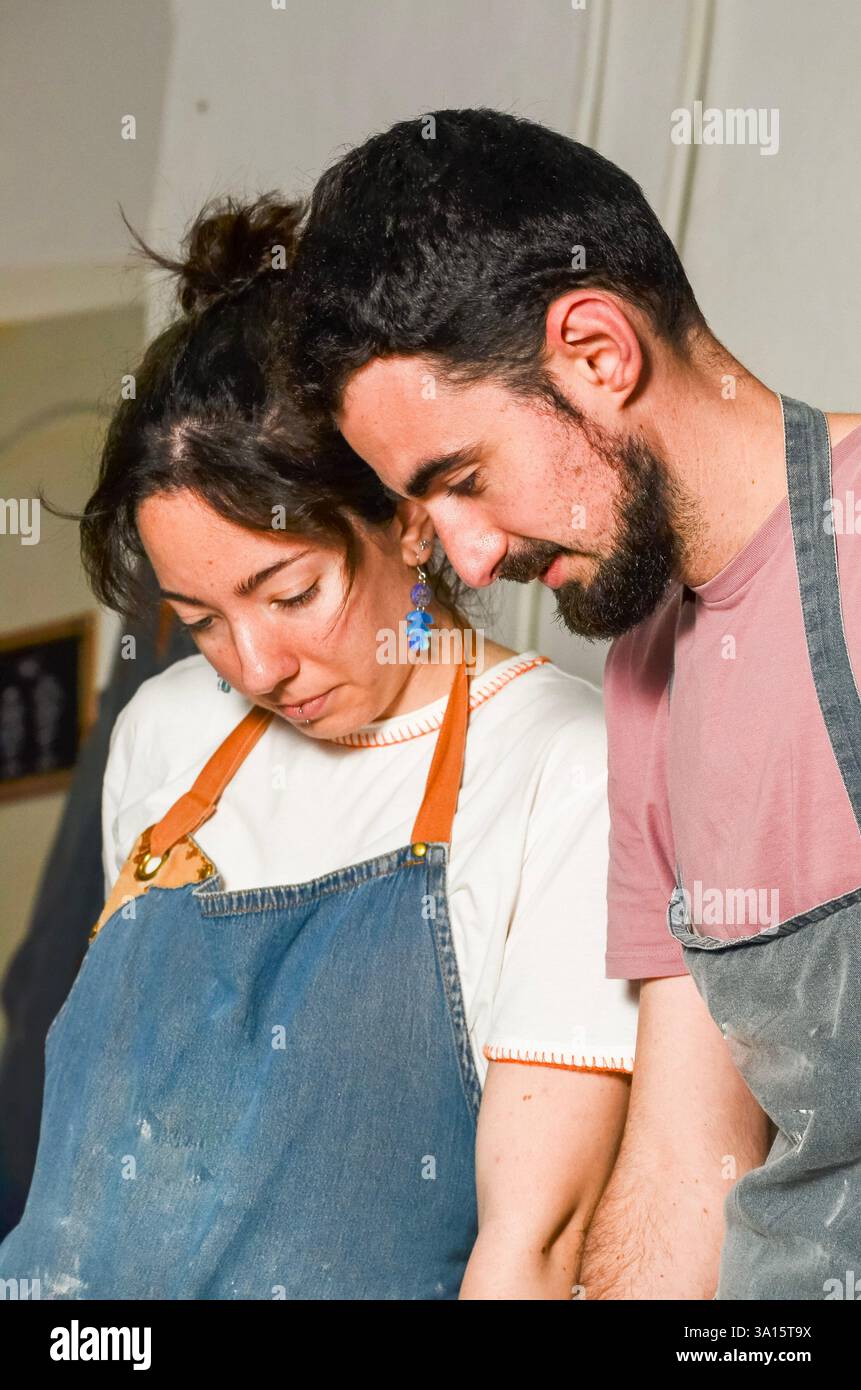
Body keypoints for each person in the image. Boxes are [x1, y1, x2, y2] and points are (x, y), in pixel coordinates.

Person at [0, 196, 638, 1300]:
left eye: (290, 592)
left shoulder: (562, 771)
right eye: (200, 618)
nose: (254, 665)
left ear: (403, 517)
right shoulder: (166, 736)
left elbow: (534, 1247)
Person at [285, 107, 861, 1300]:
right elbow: (687, 1160)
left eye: (466, 480)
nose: (471, 559)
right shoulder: (650, 677)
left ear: (597, 351)